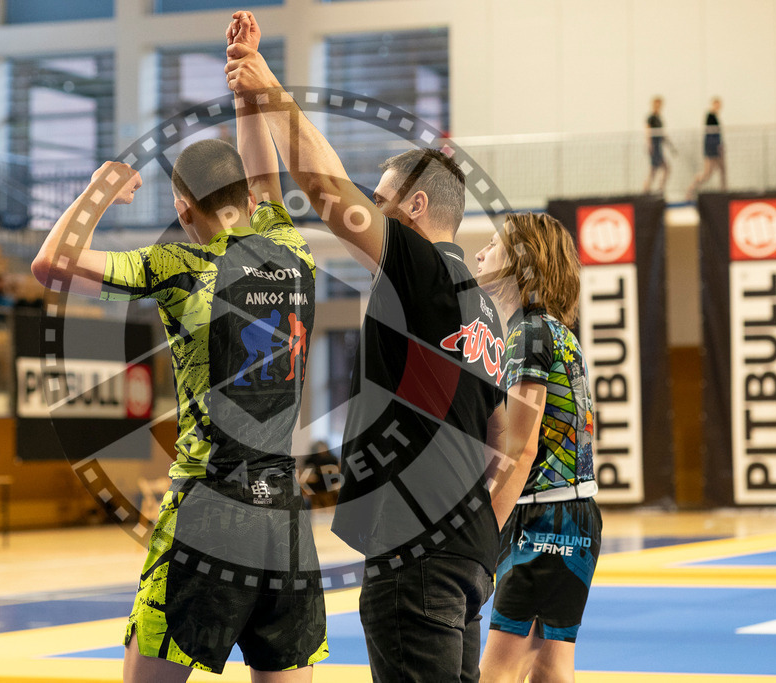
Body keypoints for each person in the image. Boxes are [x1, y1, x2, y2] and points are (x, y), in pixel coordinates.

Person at [30, 19, 325, 679]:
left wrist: (100, 191)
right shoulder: (292, 248)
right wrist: (249, 74)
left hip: (209, 509)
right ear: (248, 199)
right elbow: (266, 181)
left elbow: (51, 263)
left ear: (182, 207)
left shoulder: (178, 268)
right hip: (285, 515)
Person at [226, 12, 508, 682]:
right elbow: (499, 437)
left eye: (379, 200)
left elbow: (324, 191)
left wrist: (268, 87)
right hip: (468, 553)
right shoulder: (481, 304)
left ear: (410, 209)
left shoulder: (422, 269)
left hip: (418, 557)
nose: (369, 209)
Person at [474, 212, 602, 683]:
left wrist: (483, 527)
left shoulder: (529, 334)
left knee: (499, 672)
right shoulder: (553, 330)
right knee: (550, 667)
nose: (479, 252)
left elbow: (520, 448)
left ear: (522, 262)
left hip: (544, 520)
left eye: (492, 243)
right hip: (572, 517)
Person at [686, 97, 727, 199]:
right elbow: (710, 134)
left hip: (716, 147)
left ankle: (724, 190)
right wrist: (715, 148)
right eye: (717, 104)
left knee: (721, 170)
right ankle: (691, 188)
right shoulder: (710, 116)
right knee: (707, 173)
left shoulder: (715, 116)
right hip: (711, 148)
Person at [641, 96, 673, 194]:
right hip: (654, 147)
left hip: (659, 146)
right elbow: (648, 132)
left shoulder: (659, 118)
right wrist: (650, 145)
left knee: (659, 169)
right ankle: (647, 190)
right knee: (655, 170)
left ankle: (658, 188)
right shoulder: (651, 118)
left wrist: (670, 145)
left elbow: (662, 134)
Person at [299, 441, 339, 510]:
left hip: (327, 485)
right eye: (320, 448)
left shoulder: (332, 460)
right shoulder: (311, 460)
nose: (322, 450)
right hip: (316, 485)